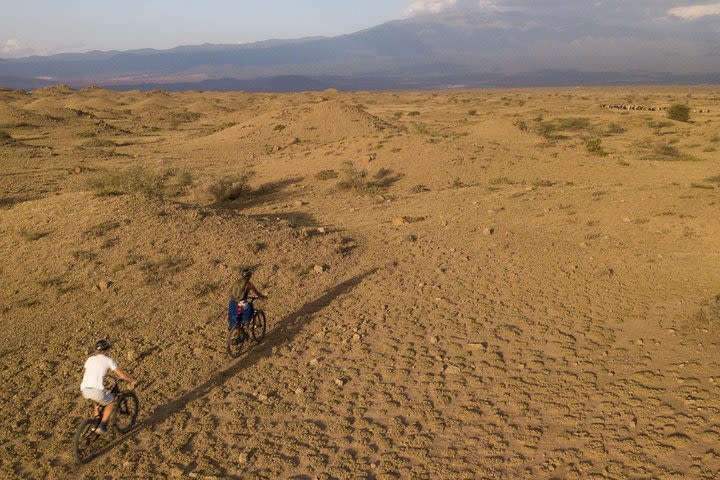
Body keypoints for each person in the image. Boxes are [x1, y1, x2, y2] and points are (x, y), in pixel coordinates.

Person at [79, 339, 137, 435]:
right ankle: (102, 426)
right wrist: (132, 380)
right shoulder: (109, 360)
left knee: (97, 402)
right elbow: (121, 375)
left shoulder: (90, 359)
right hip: (96, 390)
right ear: (106, 350)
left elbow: (93, 371)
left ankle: (96, 423)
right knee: (111, 402)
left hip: (84, 389)